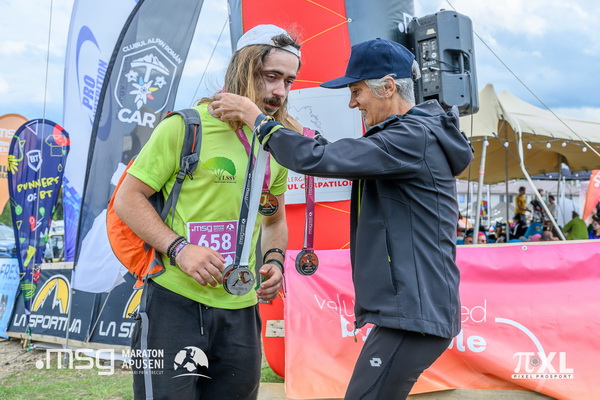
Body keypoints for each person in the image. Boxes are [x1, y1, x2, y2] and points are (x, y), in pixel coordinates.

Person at [213, 38, 474, 400]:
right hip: (413, 312)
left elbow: (320, 159)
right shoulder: (414, 135)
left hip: (413, 315)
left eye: (356, 91)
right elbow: (337, 154)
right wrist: (299, 133)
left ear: (387, 87)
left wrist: (256, 118)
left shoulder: (412, 137)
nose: (353, 103)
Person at [114, 24, 300, 399]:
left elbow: (275, 220)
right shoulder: (185, 127)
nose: (280, 91)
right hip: (174, 303)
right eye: (271, 77)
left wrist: (275, 260)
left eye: (288, 81)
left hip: (240, 307)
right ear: (245, 69)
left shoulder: (274, 143)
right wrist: (180, 248)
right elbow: (127, 199)